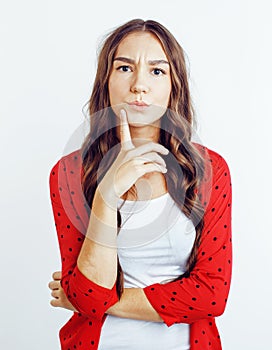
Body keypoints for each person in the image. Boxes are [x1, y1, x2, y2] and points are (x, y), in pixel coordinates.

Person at [48, 18, 232, 350]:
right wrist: (106, 196)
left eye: (156, 71)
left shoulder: (210, 170)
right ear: (106, 81)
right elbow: (87, 296)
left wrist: (89, 299)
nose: (139, 85)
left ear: (174, 86)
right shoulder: (69, 172)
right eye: (124, 68)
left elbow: (211, 295)